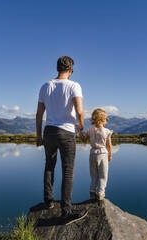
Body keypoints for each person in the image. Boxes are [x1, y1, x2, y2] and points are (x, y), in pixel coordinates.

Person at [36, 56, 88, 225]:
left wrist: (38, 135)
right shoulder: (74, 86)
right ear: (71, 70)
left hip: (49, 131)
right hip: (66, 132)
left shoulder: (45, 85)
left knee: (49, 166)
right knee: (68, 170)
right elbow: (79, 111)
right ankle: (66, 211)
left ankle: (48, 201)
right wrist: (81, 127)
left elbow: (39, 114)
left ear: (58, 69)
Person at [78, 108, 113, 201]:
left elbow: (84, 139)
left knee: (93, 175)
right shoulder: (107, 131)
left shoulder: (90, 129)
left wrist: (79, 131)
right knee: (103, 175)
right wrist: (110, 155)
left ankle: (92, 192)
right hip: (102, 154)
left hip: (92, 153)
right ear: (103, 119)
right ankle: (100, 193)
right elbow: (109, 145)